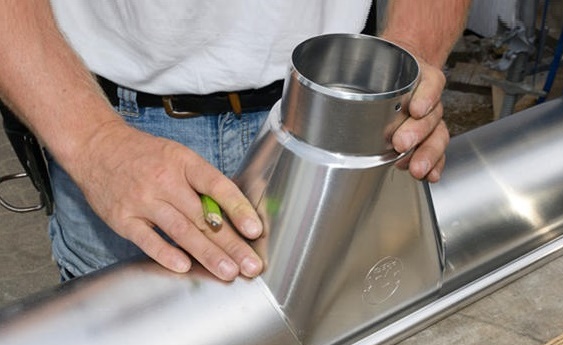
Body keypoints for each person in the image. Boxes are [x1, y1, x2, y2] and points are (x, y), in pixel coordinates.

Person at [0, 0, 471, 282]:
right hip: (118, 130)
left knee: (337, 331)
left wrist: (408, 64)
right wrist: (93, 141)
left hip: (342, 110)